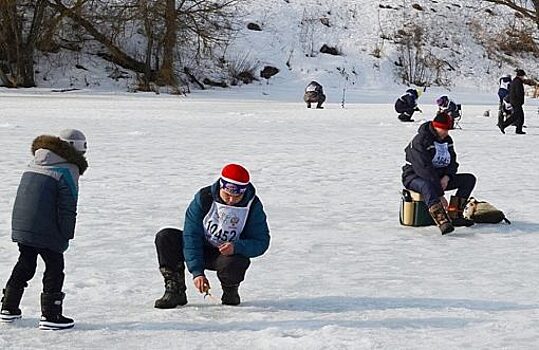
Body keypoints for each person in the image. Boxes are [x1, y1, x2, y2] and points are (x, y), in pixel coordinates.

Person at [1, 129, 88, 330]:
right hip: (46, 227)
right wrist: (66, 234)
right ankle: (51, 314)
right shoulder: (69, 168)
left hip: (22, 224)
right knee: (55, 265)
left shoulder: (36, 161)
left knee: (26, 262)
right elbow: (68, 204)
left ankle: (8, 307)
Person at [154, 163, 270, 308]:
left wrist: (237, 247)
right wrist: (197, 272)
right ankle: (175, 290)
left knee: (235, 261)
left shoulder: (253, 206)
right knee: (166, 237)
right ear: (221, 187)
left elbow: (261, 241)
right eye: (228, 194)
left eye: (237, 196)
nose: (232, 200)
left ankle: (230, 290)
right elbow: (191, 235)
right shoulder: (204, 198)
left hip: (226, 256)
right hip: (201, 247)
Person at [402, 112, 476, 234]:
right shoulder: (420, 141)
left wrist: (447, 177)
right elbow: (424, 169)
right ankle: (442, 220)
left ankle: (454, 214)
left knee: (468, 179)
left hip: (439, 177)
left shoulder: (447, 140)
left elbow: (452, 162)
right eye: (444, 129)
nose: (446, 133)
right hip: (414, 176)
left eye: (448, 130)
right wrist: (440, 194)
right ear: (435, 126)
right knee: (427, 185)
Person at [499, 69, 526, 134]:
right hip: (516, 101)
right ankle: (503, 125)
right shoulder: (518, 82)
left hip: (514, 101)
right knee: (516, 116)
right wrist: (520, 100)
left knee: (520, 116)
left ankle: (518, 129)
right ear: (520, 76)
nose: (523, 77)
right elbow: (518, 92)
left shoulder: (515, 81)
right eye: (523, 76)